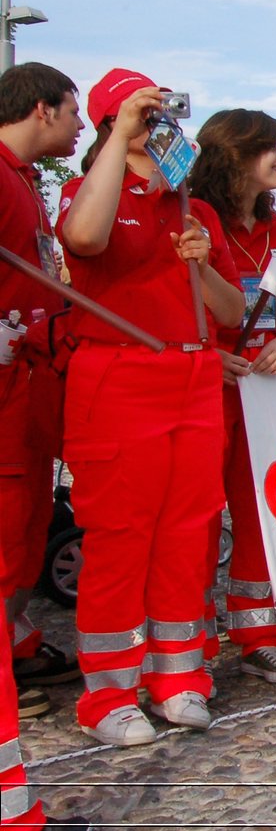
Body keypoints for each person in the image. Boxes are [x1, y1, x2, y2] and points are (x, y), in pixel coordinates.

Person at [58, 69, 245, 745]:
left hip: (191, 372)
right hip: (119, 373)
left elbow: (231, 313)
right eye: (146, 110)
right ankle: (107, 693)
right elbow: (83, 237)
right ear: (117, 121)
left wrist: (201, 265)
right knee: (120, 534)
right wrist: (120, 139)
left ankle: (179, 676)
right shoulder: (93, 190)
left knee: (187, 531)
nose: (161, 120)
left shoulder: (196, 207)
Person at [189, 109, 276, 685]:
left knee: (261, 513)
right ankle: (191, 645)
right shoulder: (197, 221)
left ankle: (258, 634)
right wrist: (210, 356)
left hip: (267, 391)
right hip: (208, 390)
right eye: (270, 150)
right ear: (234, 155)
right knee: (200, 519)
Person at [0, 64, 82, 724]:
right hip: (7, 381)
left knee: (27, 521)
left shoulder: (24, 180)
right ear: (42, 109)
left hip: (33, 382)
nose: (79, 125)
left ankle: (16, 639)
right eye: (72, 111)